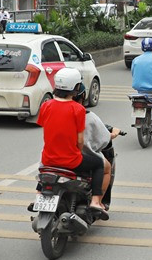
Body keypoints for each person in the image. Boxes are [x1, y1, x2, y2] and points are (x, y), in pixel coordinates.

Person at [36, 67, 108, 217]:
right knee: (98, 164)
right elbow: (80, 141)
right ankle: (95, 201)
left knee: (45, 167)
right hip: (71, 161)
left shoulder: (46, 105)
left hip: (48, 159)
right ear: (76, 88)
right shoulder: (78, 109)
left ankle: (38, 194)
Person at [71, 83, 121, 210]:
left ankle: (39, 195)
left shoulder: (52, 110)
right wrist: (111, 134)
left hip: (52, 156)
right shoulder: (87, 116)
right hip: (74, 157)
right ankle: (96, 201)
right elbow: (103, 139)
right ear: (83, 96)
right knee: (104, 166)